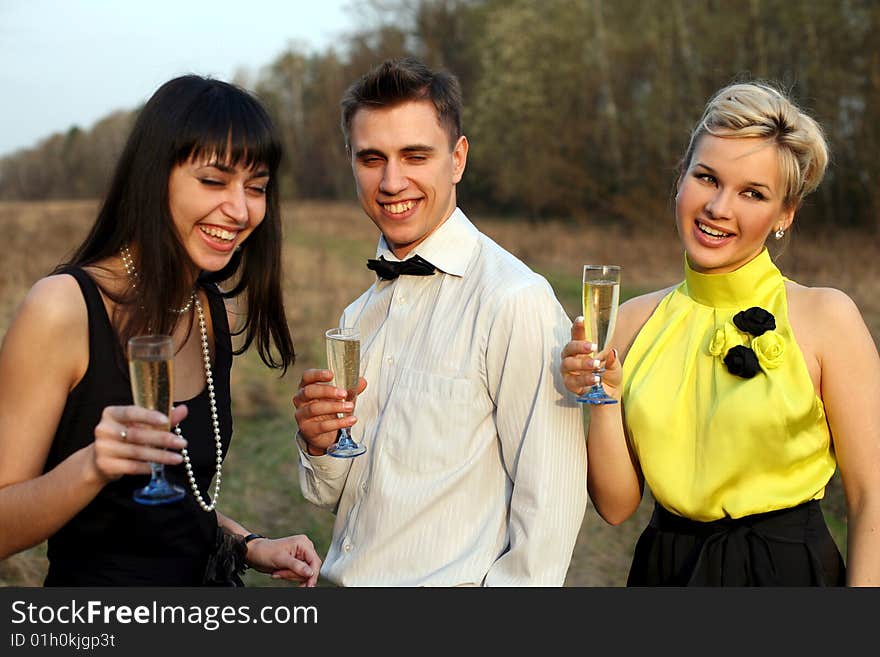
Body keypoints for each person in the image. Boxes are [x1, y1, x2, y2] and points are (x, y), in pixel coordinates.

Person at [0, 75, 321, 587]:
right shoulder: (62, 309)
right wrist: (92, 467)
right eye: (214, 181)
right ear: (154, 178)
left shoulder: (206, 309)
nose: (239, 210)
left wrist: (250, 544)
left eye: (255, 187)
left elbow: (177, 504)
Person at [561, 81, 880, 586]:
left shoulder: (827, 317)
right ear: (681, 180)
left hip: (788, 576)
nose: (719, 208)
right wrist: (604, 397)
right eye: (707, 178)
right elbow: (617, 507)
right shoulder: (627, 322)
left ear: (785, 214)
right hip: (665, 574)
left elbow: (872, 498)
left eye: (753, 193)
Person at [292, 57, 587, 586]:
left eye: (415, 155)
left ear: (457, 159)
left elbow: (552, 506)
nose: (391, 180)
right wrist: (320, 445)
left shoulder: (516, 301)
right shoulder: (357, 315)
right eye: (371, 158)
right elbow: (331, 495)